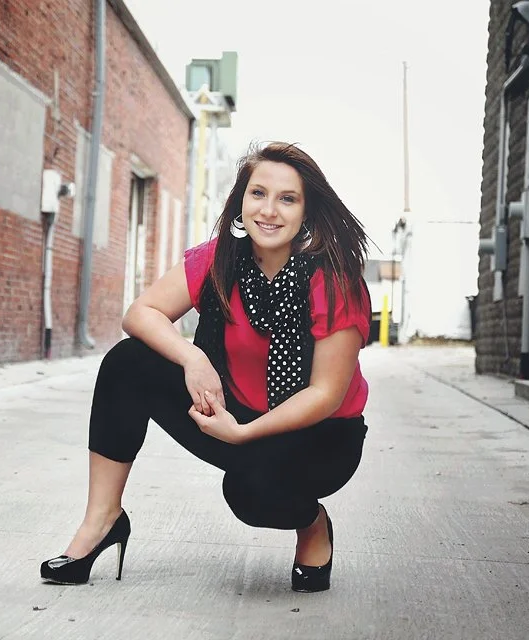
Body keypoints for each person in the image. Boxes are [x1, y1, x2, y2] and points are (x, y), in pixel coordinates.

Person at [40, 141, 371, 593]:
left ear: (306, 210)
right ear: (241, 201)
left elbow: (326, 393)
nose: (269, 210)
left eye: (287, 198)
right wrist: (192, 357)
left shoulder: (333, 280)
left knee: (248, 495)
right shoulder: (220, 260)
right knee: (128, 362)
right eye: (258, 194)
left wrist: (242, 435)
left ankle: (312, 524)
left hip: (321, 437)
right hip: (237, 413)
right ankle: (103, 520)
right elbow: (140, 313)